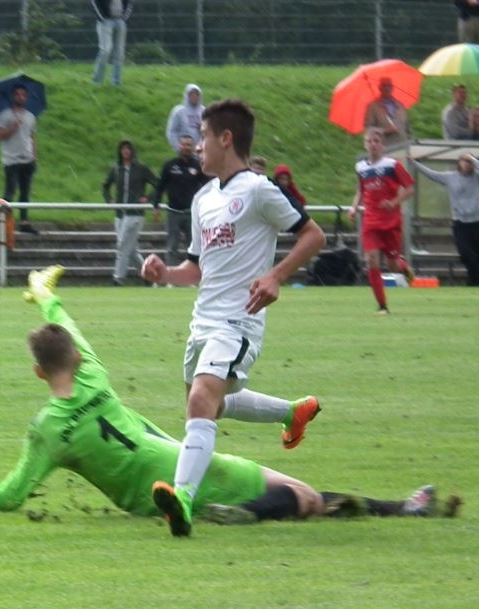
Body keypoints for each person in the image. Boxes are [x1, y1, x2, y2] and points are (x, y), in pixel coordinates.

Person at [0, 267, 462, 524]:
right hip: (181, 462)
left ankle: (246, 509)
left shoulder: (47, 430)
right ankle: (398, 508)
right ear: (75, 356)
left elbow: (15, 490)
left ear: (38, 372)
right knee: (302, 494)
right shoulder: (95, 374)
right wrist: (45, 295)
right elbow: (67, 325)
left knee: (300, 496)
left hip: (147, 497)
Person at [140, 99, 327, 537]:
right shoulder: (203, 198)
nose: (197, 145)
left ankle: (182, 500)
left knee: (200, 401)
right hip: (202, 322)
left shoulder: (259, 190)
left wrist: (276, 275)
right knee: (213, 404)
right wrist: (165, 273)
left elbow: (313, 235)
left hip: (239, 322)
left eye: (203, 136)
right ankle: (293, 412)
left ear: (225, 139)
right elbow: (196, 269)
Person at [349, 128, 415, 314]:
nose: (373, 144)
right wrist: (354, 207)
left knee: (392, 265)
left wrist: (393, 202)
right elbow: (361, 190)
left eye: (376, 141)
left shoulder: (392, 165)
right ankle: (382, 305)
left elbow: (410, 188)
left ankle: (403, 267)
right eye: (369, 141)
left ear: (383, 145)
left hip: (391, 221)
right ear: (365, 144)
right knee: (372, 261)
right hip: (371, 221)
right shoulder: (361, 167)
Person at [409, 153, 479, 286]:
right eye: (464, 161)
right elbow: (432, 174)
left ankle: (474, 283)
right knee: (465, 253)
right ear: (459, 163)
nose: (467, 164)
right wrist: (415, 163)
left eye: (469, 162)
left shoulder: (477, 177)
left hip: (478, 223)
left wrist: (473, 159)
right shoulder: (450, 177)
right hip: (461, 224)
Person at [101, 139, 157, 286]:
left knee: (122, 245)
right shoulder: (116, 169)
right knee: (130, 249)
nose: (125, 151)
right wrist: (109, 199)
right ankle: (149, 276)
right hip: (120, 215)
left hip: (135, 213)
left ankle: (118, 278)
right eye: (123, 149)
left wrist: (148, 198)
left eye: (128, 148)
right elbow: (105, 186)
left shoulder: (141, 169)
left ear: (132, 151)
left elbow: (158, 184)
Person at [152, 134, 208, 266]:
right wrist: (156, 206)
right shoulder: (170, 165)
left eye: (189, 145)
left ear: (193, 147)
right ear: (179, 146)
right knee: (172, 246)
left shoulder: (198, 166)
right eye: (184, 144)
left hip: (191, 213)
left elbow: (207, 186)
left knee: (194, 246)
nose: (186, 147)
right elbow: (160, 186)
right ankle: (170, 274)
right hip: (173, 212)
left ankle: (195, 273)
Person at [0, 83, 38, 235]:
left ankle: (24, 221)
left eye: (23, 95)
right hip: (11, 159)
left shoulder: (30, 116)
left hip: (27, 158)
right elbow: (0, 135)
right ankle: (4, 222)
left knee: (25, 192)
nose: (20, 97)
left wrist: (34, 156)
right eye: (18, 94)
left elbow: (32, 137)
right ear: (13, 96)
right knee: (10, 191)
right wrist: (13, 127)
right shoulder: (5, 115)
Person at [91, 0, 133, 86]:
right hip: (105, 21)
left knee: (119, 53)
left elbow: (129, 3)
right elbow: (94, 2)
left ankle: (116, 82)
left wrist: (124, 18)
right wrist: (102, 18)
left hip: (120, 21)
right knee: (105, 50)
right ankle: (97, 81)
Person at [363, 77, 411, 148]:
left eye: (389, 85)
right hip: (385, 148)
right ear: (379, 88)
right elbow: (368, 129)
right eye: (384, 86)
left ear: (392, 88)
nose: (387, 88)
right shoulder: (373, 107)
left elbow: (407, 127)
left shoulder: (400, 105)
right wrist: (384, 131)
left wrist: (409, 141)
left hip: (403, 146)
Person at [165, 83, 204, 152]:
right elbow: (172, 132)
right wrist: (178, 147)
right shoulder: (179, 111)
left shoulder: (204, 111)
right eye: (192, 94)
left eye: (197, 94)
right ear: (187, 95)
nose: (195, 97)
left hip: (200, 150)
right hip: (184, 149)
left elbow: (208, 133)